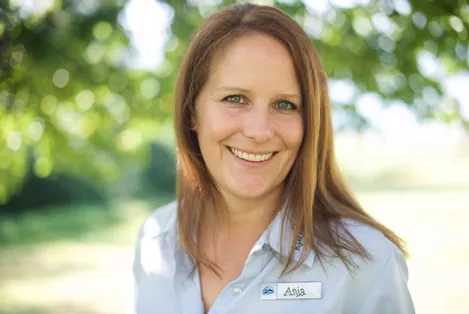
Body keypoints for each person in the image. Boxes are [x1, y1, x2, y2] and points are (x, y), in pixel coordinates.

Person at [132, 3, 415, 314]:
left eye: (285, 105)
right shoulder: (155, 239)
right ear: (191, 114)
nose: (259, 131)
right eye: (235, 99)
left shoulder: (368, 264)